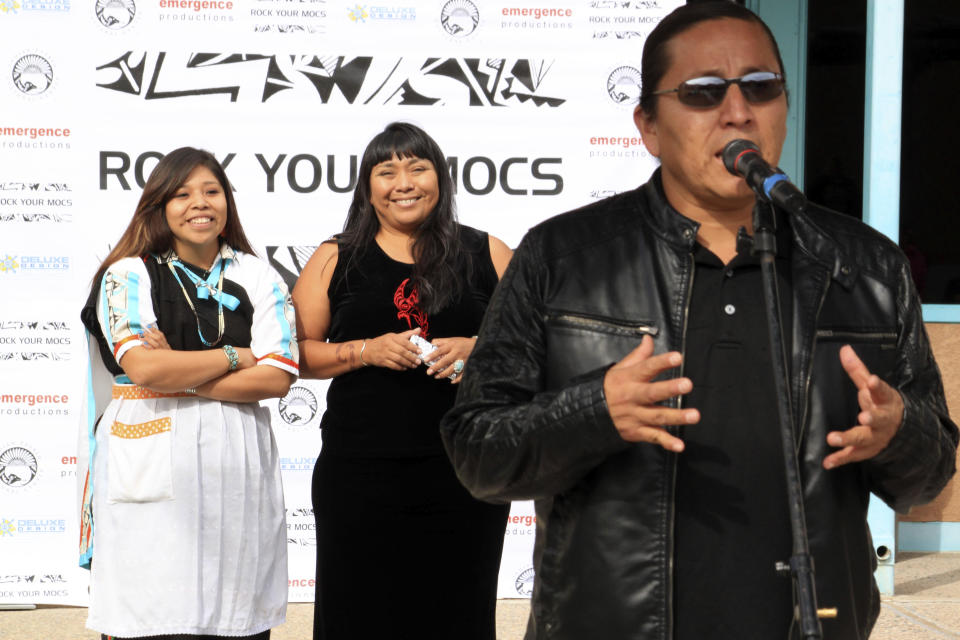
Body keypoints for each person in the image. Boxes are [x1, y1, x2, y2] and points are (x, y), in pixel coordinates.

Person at [440, 4, 959, 640]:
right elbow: (478, 455)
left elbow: (929, 474)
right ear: (649, 126)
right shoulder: (560, 258)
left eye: (761, 87)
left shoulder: (865, 266)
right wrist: (592, 413)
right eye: (703, 92)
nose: (738, 111)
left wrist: (899, 432)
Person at [292, 121, 513, 640]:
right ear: (367, 186)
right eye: (386, 171)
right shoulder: (335, 256)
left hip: (468, 471)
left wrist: (477, 349)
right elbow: (296, 357)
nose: (404, 182)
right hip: (360, 473)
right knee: (358, 616)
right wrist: (364, 350)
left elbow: (539, 346)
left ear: (441, 178)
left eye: (418, 167)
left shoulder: (488, 251)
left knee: (459, 614)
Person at [79, 147, 298, 639]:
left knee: (235, 614)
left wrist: (178, 372)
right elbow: (143, 365)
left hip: (236, 458)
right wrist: (237, 355)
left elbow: (278, 376)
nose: (199, 203)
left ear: (228, 203)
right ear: (158, 205)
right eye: (182, 194)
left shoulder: (257, 275)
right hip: (148, 453)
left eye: (212, 191)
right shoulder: (128, 273)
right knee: (151, 612)